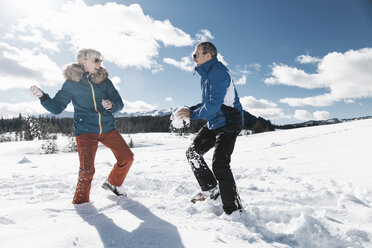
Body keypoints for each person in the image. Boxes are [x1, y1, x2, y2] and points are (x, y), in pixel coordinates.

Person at [30, 48, 134, 204]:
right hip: (85, 131)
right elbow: (57, 107)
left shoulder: (105, 81)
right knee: (87, 171)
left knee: (127, 157)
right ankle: (81, 204)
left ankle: (113, 183)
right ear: (83, 61)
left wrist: (112, 105)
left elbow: (119, 104)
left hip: (107, 128)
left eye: (100, 60)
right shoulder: (72, 83)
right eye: (96, 60)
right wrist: (43, 97)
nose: (100, 63)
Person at [176, 42, 243, 215]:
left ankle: (234, 210)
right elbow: (209, 104)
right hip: (216, 120)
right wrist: (191, 110)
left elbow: (213, 105)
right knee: (193, 153)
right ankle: (211, 189)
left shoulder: (218, 72)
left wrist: (192, 115)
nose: (193, 58)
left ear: (208, 55)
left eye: (196, 54)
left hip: (229, 120)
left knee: (220, 164)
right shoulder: (207, 74)